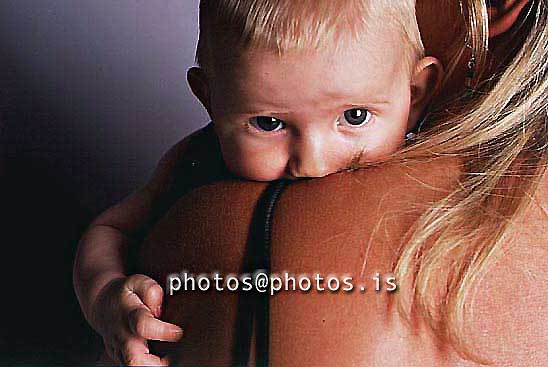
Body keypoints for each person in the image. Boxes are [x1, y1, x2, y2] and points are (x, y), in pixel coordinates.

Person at [74, 0, 547, 364]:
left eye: (354, 116)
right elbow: (111, 230)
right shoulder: (195, 158)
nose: (313, 160)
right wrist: (104, 299)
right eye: (268, 123)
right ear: (210, 98)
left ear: (415, 91)